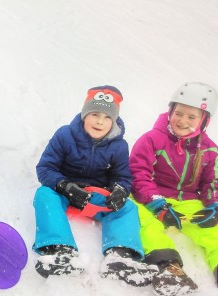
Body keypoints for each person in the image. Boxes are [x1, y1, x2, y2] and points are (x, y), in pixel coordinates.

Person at [33, 85, 158, 286]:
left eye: (107, 117)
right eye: (95, 114)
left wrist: (119, 190)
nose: (100, 121)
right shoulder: (65, 135)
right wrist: (64, 186)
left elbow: (122, 177)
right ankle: (60, 250)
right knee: (44, 194)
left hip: (96, 196)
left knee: (128, 207)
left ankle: (119, 256)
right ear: (84, 115)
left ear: (114, 121)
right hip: (66, 191)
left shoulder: (119, 146)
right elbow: (45, 168)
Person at [130, 82, 218, 296]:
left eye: (191, 117)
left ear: (204, 120)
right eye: (179, 113)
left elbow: (212, 183)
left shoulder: (209, 149)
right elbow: (138, 173)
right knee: (143, 221)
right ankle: (168, 267)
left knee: (213, 229)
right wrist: (157, 204)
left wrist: (214, 206)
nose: (183, 121)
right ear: (170, 111)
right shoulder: (152, 139)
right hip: (151, 198)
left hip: (188, 201)